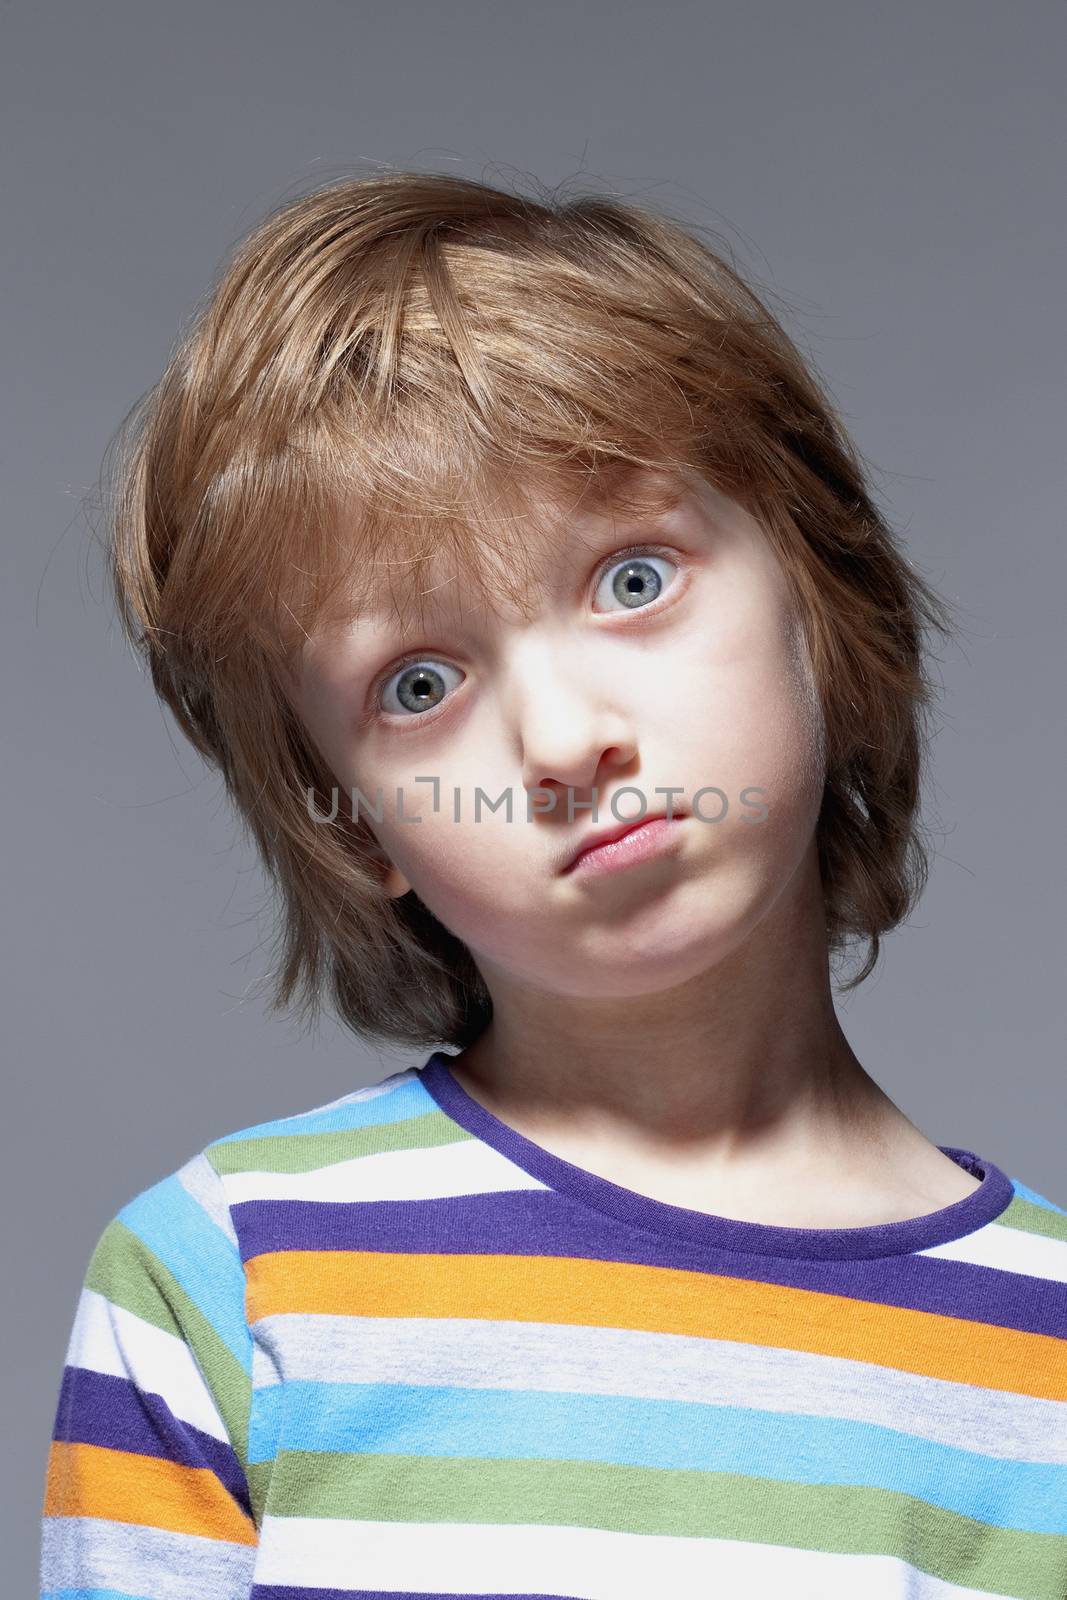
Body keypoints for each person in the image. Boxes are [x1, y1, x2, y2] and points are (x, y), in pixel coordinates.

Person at [40, 170, 1067, 1600]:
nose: (567, 741)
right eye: (418, 683)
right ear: (356, 826)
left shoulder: (1050, 1352)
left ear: (818, 600)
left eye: (634, 580)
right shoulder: (226, 1281)